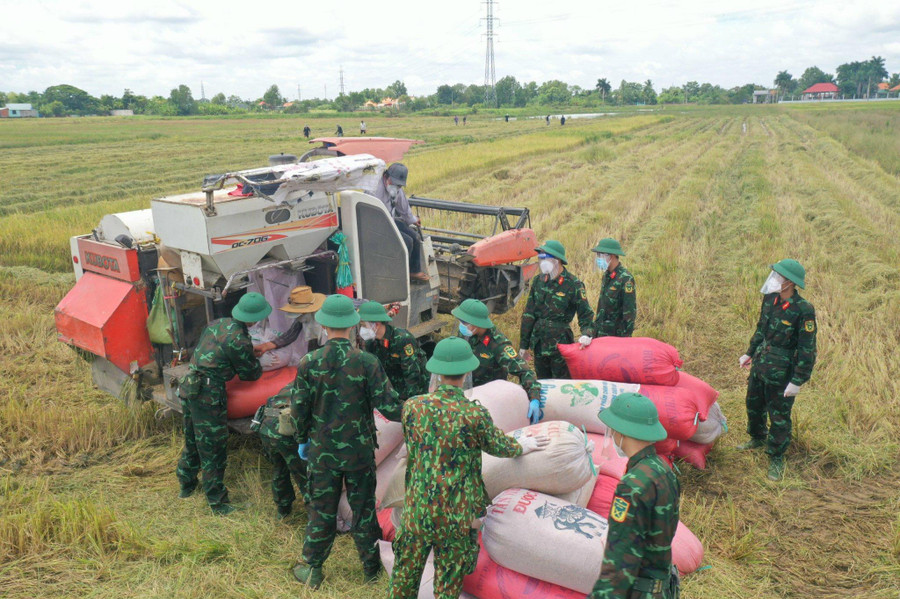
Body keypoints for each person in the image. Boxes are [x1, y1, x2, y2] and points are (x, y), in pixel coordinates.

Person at [387, 337, 550, 599]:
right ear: (466, 374)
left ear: (436, 372)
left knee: (403, 580)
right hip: (456, 517)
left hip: (417, 511)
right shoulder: (474, 415)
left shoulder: (412, 408)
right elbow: (500, 447)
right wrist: (523, 445)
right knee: (448, 585)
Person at [289, 294, 403, 589]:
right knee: (364, 510)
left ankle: (313, 569)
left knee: (322, 510)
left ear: (323, 326)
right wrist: (418, 410)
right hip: (360, 453)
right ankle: (371, 570)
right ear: (353, 326)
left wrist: (303, 440)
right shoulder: (367, 362)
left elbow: (299, 410)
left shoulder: (309, 363)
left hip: (322, 453)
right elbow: (390, 408)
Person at [175, 292, 270, 515]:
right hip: (209, 393)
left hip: (190, 384)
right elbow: (250, 374)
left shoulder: (218, 324)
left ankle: (186, 485)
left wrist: (244, 353)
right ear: (254, 319)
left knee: (192, 439)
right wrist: (253, 358)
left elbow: (215, 351)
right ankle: (218, 502)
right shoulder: (240, 340)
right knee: (213, 448)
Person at [589, 392, 680, 599]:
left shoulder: (632, 486)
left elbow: (620, 562)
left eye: (613, 430)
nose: (611, 435)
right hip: (663, 588)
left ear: (622, 432)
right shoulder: (663, 469)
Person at [737, 259, 816, 481]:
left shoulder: (803, 310)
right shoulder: (770, 299)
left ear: (789, 282)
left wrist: (798, 380)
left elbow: (807, 348)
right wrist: (750, 352)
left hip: (781, 372)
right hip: (761, 364)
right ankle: (757, 437)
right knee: (754, 403)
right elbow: (761, 328)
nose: (773, 279)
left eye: (778, 276)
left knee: (779, 415)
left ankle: (776, 457)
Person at [451, 298, 542, 424]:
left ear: (476, 323)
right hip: (467, 395)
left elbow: (524, 371)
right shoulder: (467, 334)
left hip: (489, 403)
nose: (461, 325)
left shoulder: (498, 344)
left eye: (464, 322)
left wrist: (534, 398)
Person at [520, 240, 594, 378]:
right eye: (540, 258)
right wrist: (523, 345)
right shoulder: (538, 281)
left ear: (557, 260)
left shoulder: (573, 284)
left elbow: (586, 314)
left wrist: (586, 334)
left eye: (544, 258)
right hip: (539, 342)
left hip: (560, 343)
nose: (541, 262)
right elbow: (529, 314)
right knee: (543, 382)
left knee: (562, 383)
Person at [251, 384, 307, 519]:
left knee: (280, 469)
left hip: (266, 428)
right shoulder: (312, 387)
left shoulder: (291, 384)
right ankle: (317, 519)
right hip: (284, 432)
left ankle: (283, 510)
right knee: (303, 475)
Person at [358, 300, 428, 402]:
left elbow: (412, 375)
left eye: (364, 325)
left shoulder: (402, 339)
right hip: (393, 390)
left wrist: (409, 403)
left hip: (415, 393)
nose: (362, 329)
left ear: (376, 324)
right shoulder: (370, 343)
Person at [370, 162, 429, 283]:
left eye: (399, 185)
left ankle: (413, 270)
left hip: (389, 221)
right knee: (406, 242)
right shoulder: (374, 190)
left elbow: (404, 208)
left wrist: (413, 220)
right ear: (386, 177)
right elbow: (369, 214)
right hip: (375, 225)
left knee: (415, 237)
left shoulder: (396, 190)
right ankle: (399, 274)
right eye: (394, 183)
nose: (396, 187)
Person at [581, 237, 636, 345]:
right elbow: (602, 311)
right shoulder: (606, 276)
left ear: (610, 256)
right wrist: (590, 334)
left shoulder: (625, 279)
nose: (598, 259)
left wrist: (625, 342)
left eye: (599, 255)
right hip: (601, 336)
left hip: (616, 339)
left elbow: (629, 315)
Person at [253, 286, 327, 358]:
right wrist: (266, 346)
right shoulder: (304, 315)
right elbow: (291, 334)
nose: (300, 317)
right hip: (316, 343)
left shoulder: (325, 315)